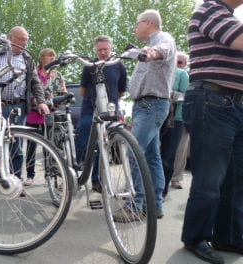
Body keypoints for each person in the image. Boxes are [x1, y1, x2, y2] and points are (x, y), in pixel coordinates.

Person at [181, 1, 243, 263]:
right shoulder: (209, 8)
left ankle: (227, 236)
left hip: (233, 103)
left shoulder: (228, 16)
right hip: (213, 100)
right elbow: (238, 40)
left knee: (236, 178)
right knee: (210, 178)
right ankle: (196, 236)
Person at [0, 26, 50, 196]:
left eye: (26, 39)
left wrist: (41, 102)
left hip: (19, 107)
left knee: (16, 147)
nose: (24, 42)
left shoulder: (27, 58)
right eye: (20, 39)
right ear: (10, 38)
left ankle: (15, 183)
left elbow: (35, 83)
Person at [119, 9, 176, 221]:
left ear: (149, 23)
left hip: (151, 104)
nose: (135, 28)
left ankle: (135, 204)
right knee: (152, 157)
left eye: (137, 24)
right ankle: (155, 205)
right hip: (147, 105)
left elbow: (164, 49)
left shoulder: (161, 38)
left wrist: (149, 53)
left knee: (133, 151)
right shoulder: (151, 42)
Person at [75, 35, 127, 192]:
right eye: (99, 50)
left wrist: (109, 102)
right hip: (90, 108)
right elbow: (83, 91)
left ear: (111, 48)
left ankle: (96, 181)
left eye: (105, 49)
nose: (103, 52)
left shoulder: (119, 65)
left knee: (103, 144)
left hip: (110, 109)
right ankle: (76, 166)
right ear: (95, 50)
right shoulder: (90, 65)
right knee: (83, 134)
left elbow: (121, 91)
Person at [23, 48, 66, 186]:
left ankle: (50, 175)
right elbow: (28, 91)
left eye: (54, 56)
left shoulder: (57, 75)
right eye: (49, 56)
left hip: (50, 115)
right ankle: (30, 175)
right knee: (31, 147)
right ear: (41, 58)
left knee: (50, 147)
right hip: (34, 115)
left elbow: (62, 92)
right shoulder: (33, 73)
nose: (53, 58)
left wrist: (60, 99)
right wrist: (35, 102)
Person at [160, 51, 189, 197]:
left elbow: (186, 96)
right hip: (158, 117)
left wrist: (168, 94)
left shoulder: (182, 75)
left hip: (176, 119)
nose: (176, 64)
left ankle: (162, 191)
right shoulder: (163, 71)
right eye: (174, 61)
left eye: (180, 62)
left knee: (169, 156)